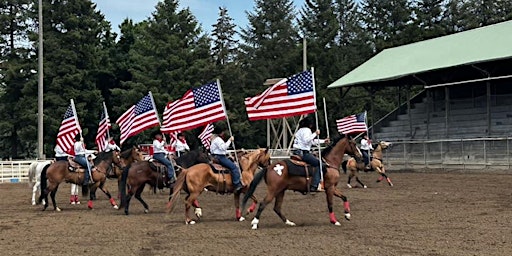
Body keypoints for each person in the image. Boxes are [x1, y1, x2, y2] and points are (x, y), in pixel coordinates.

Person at [292, 118, 329, 192]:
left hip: (297, 151)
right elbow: (307, 140)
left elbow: (311, 141)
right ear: (310, 124)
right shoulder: (306, 130)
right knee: (320, 164)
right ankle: (315, 185)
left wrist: (323, 141)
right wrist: (315, 133)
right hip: (303, 153)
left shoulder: (299, 131)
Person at [210, 127, 243, 193]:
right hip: (220, 157)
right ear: (221, 133)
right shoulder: (218, 139)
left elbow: (221, 149)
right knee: (234, 167)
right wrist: (230, 140)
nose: (224, 133)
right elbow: (223, 147)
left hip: (217, 156)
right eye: (223, 132)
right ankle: (237, 184)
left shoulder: (214, 139)